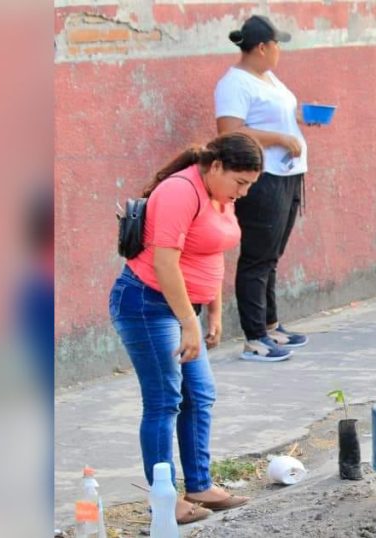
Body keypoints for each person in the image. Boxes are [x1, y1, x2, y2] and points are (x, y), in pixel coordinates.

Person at [109, 132, 261, 524]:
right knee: (164, 400)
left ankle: (199, 485)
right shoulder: (181, 191)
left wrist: (214, 311)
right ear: (215, 167)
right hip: (147, 304)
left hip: (182, 308)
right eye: (240, 182)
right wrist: (187, 322)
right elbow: (165, 264)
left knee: (200, 394)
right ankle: (165, 500)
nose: (242, 193)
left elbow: (214, 250)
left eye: (249, 185)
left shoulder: (220, 195)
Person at [215, 15, 310, 361]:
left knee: (272, 255)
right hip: (263, 178)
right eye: (277, 44)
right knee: (257, 257)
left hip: (288, 174)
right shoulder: (234, 83)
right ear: (262, 47)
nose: (279, 51)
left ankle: (270, 325)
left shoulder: (268, 77)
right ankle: (254, 337)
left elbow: (278, 114)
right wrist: (280, 138)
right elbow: (229, 132)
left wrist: (300, 121)